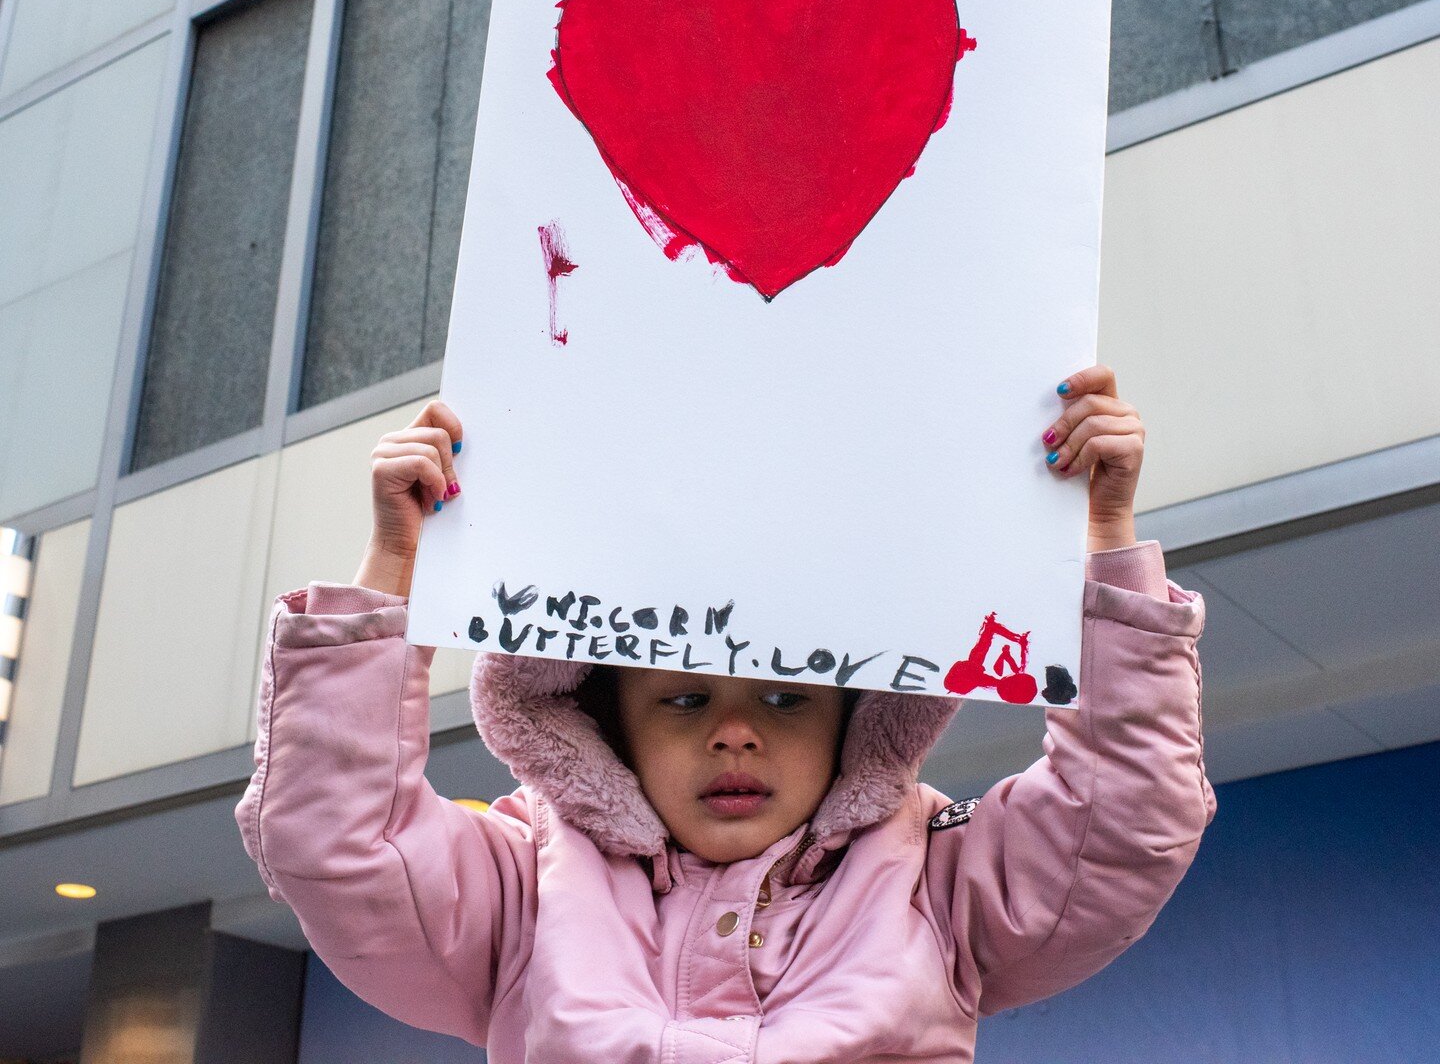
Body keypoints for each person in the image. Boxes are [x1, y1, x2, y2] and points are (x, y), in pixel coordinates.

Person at [237, 365, 1213, 1063]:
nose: (735, 731)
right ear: (603, 718)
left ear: (860, 719)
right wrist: (394, 571)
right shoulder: (520, 890)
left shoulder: (936, 884)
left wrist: (1104, 540)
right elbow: (340, 842)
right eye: (686, 697)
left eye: (788, 695)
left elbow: (1123, 821)